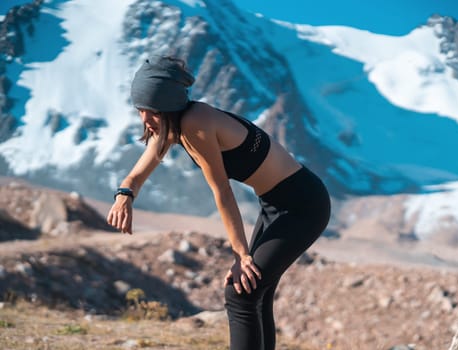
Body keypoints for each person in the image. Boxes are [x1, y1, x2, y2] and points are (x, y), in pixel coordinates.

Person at [106, 55, 331, 350]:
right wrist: (124, 196)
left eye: (152, 113)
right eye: (140, 111)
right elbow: (137, 173)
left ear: (169, 107)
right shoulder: (172, 124)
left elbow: (222, 191)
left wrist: (241, 255)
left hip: (303, 205)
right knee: (254, 294)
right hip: (275, 205)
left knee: (240, 293)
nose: (146, 120)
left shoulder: (195, 124)